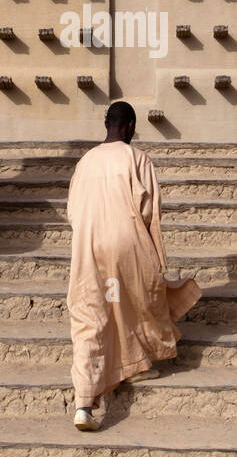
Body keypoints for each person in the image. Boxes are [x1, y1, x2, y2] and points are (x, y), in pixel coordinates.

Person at [66, 100, 202, 430]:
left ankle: (83, 403)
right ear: (129, 127)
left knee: (89, 315)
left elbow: (71, 209)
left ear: (107, 125)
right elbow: (149, 211)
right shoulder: (136, 157)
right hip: (126, 238)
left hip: (87, 242)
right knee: (138, 299)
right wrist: (156, 258)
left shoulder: (85, 161)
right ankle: (137, 364)